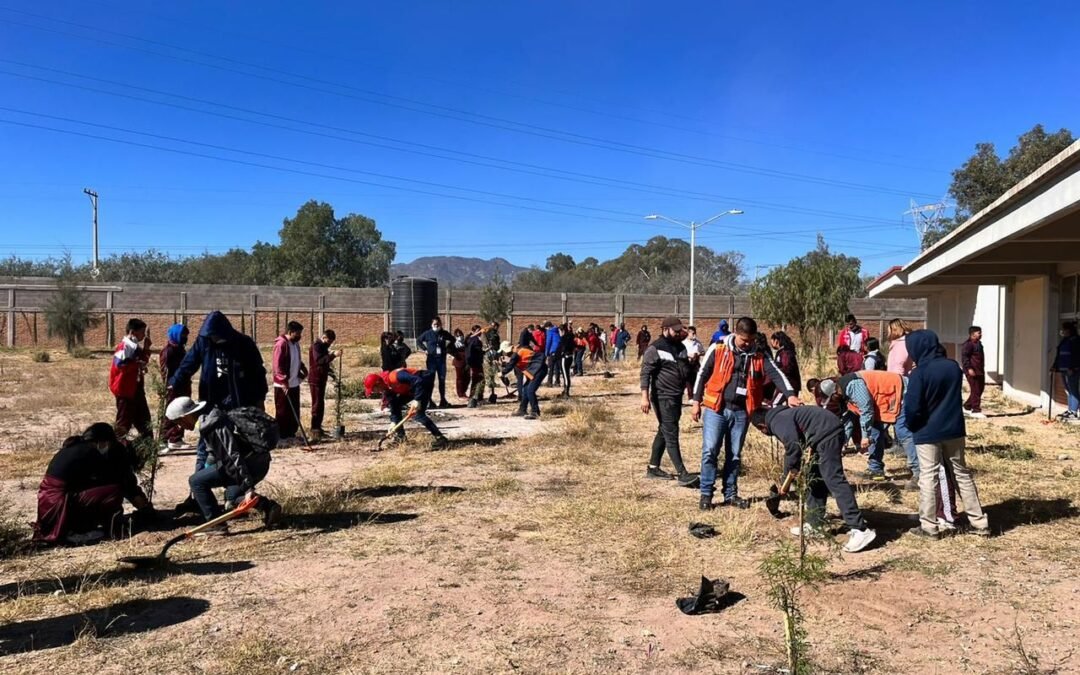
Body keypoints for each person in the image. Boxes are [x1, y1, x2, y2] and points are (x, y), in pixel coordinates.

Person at [692, 317, 801, 510]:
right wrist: (695, 401)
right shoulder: (718, 348)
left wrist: (790, 395)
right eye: (744, 340)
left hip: (741, 411)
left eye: (751, 340)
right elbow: (702, 373)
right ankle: (706, 494)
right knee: (710, 451)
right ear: (735, 333)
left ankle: (731, 494)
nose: (748, 344)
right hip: (716, 408)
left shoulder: (759, 354)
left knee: (734, 455)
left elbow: (777, 374)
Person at [169, 311, 268, 514]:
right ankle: (198, 497)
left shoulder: (243, 344)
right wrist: (173, 383)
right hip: (212, 405)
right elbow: (189, 364)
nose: (214, 339)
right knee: (205, 450)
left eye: (216, 336)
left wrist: (259, 402)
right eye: (211, 336)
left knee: (237, 450)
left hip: (240, 408)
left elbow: (258, 374)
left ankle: (238, 494)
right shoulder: (204, 342)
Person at [750, 405, 877, 553]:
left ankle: (860, 529)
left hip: (828, 434)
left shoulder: (777, 420)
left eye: (762, 431)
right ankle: (815, 524)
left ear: (761, 427)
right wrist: (789, 475)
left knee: (834, 479)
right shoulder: (783, 415)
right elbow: (798, 443)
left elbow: (793, 446)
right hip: (823, 434)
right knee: (815, 478)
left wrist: (788, 475)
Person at [903, 330, 991, 539]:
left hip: (927, 432)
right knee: (961, 474)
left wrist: (912, 425)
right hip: (954, 429)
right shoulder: (953, 367)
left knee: (928, 477)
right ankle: (979, 523)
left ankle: (929, 526)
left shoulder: (919, 373)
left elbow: (913, 407)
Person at [167, 397, 282, 531]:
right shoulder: (211, 417)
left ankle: (215, 526)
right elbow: (214, 453)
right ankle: (269, 507)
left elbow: (231, 457)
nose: (179, 426)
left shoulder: (211, 425)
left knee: (196, 481)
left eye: (178, 422)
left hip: (249, 465)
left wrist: (247, 487)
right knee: (232, 499)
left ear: (186, 416)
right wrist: (206, 472)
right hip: (260, 461)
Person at [33, 423, 154, 545]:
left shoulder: (77, 447)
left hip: (48, 501)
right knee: (114, 492)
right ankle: (75, 532)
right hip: (59, 502)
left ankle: (80, 527)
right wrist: (143, 507)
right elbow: (121, 481)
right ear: (103, 442)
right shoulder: (89, 453)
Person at [819, 370, 918, 487]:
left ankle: (919, 472)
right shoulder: (844, 393)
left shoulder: (853, 385)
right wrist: (840, 443)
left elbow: (867, 410)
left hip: (900, 391)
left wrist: (864, 437)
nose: (833, 401)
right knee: (875, 432)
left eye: (832, 398)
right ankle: (876, 469)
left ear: (835, 392)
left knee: (903, 432)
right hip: (883, 399)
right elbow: (848, 422)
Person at [640, 316, 698, 487]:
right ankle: (682, 473)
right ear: (665, 329)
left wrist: (692, 363)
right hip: (662, 396)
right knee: (671, 432)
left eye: (680, 330)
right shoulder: (655, 348)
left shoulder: (680, 347)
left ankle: (653, 467)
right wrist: (644, 397)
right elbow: (645, 373)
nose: (679, 332)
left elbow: (685, 372)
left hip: (675, 396)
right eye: (675, 330)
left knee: (665, 429)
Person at [364, 367, 449, 449]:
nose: (375, 392)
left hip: (423, 380)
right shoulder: (386, 390)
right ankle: (401, 438)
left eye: (374, 389)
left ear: (378, 383)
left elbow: (418, 381)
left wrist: (417, 400)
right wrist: (393, 423)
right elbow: (394, 408)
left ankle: (440, 439)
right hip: (412, 388)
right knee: (396, 405)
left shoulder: (396, 376)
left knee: (418, 414)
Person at [110, 318, 153, 440]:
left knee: (145, 421)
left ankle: (148, 447)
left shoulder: (134, 346)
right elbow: (120, 364)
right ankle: (116, 447)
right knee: (124, 423)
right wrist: (136, 364)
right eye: (142, 332)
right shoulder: (125, 346)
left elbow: (143, 361)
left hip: (136, 389)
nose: (143, 335)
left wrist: (146, 348)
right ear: (133, 332)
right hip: (125, 391)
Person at [272, 321, 308, 440]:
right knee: (283, 411)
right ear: (290, 332)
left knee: (294, 411)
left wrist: (302, 368)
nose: (299, 336)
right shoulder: (281, 344)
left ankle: (291, 433)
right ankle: (282, 436)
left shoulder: (295, 344)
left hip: (294, 383)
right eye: (297, 333)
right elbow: (277, 365)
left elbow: (296, 359)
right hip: (282, 385)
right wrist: (283, 381)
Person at [159, 323, 191, 452]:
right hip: (174, 387)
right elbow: (165, 371)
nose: (184, 337)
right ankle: (166, 438)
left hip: (183, 386)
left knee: (182, 412)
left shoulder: (180, 349)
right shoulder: (169, 351)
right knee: (171, 412)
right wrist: (171, 384)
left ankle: (176, 437)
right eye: (182, 335)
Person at [501, 337, 545, 419]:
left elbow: (511, 364)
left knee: (530, 390)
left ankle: (535, 412)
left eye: (506, 353)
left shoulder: (518, 353)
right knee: (525, 389)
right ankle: (522, 409)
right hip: (535, 370)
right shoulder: (520, 350)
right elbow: (515, 361)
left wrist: (502, 372)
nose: (506, 354)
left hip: (539, 370)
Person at [308, 329, 339, 441]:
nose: (330, 344)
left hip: (321, 378)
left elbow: (325, 364)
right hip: (315, 379)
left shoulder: (323, 347)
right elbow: (319, 361)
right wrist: (333, 355)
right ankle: (314, 429)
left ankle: (318, 428)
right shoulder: (317, 346)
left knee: (320, 403)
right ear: (324, 337)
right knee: (316, 404)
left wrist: (333, 375)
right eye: (329, 341)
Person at [417, 317, 455, 408]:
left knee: (442, 380)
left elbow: (453, 339)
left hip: (441, 360)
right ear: (431, 324)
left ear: (440, 324)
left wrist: (447, 348)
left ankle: (443, 400)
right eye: (434, 324)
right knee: (430, 380)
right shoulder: (428, 333)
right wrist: (425, 349)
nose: (436, 326)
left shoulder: (443, 333)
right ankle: (429, 401)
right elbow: (419, 340)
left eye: (438, 324)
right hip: (431, 360)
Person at [1054, 321, 1080, 421]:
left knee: (1073, 390)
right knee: (1068, 390)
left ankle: (1074, 412)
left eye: (1064, 330)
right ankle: (1070, 410)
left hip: (1072, 369)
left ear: (1068, 330)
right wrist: (1054, 366)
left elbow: (1077, 356)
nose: (1062, 331)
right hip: (1063, 369)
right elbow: (1059, 353)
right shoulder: (1065, 340)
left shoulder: (1076, 340)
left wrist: (1073, 368)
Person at [960, 326, 986, 418]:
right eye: (979, 333)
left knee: (980, 389)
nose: (981, 334)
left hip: (980, 371)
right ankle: (976, 410)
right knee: (975, 389)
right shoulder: (968, 345)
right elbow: (965, 358)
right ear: (972, 334)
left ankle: (967, 406)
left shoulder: (979, 344)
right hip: (972, 371)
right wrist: (969, 368)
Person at [769, 331, 801, 396]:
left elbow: (786, 368)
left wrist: (775, 372)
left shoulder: (785, 353)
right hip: (787, 384)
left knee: (775, 403)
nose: (771, 343)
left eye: (772, 341)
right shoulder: (781, 352)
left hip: (788, 385)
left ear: (776, 341)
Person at [465, 324, 486, 408]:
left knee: (479, 380)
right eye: (478, 331)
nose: (480, 332)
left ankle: (477, 397)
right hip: (474, 363)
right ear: (473, 331)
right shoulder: (473, 340)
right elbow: (470, 352)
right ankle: (474, 397)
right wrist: (470, 362)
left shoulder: (474, 339)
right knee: (478, 380)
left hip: (477, 362)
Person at [482, 322, 501, 404]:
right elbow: (486, 343)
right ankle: (490, 390)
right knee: (489, 373)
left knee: (492, 373)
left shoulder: (493, 334)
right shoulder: (488, 333)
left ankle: (492, 391)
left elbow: (497, 345)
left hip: (493, 354)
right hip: (488, 354)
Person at [683, 326, 704, 399]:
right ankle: (690, 396)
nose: (694, 335)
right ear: (688, 333)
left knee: (697, 379)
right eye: (693, 333)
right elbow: (680, 353)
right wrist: (688, 355)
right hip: (688, 363)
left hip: (696, 363)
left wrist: (699, 353)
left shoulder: (697, 343)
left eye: (695, 333)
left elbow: (703, 351)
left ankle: (697, 396)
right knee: (688, 380)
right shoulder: (684, 343)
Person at [556, 323, 575, 398]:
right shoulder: (570, 337)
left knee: (565, 375)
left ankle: (566, 392)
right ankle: (565, 390)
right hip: (570, 357)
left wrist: (560, 354)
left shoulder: (564, 338)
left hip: (565, 357)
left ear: (562, 330)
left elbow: (562, 348)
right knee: (566, 375)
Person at [451, 328, 469, 399]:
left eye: (460, 335)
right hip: (458, 362)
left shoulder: (465, 342)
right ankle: (460, 393)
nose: (459, 337)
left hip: (466, 362)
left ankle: (464, 391)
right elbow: (449, 349)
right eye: (457, 335)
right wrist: (455, 354)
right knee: (460, 378)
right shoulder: (454, 344)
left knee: (467, 377)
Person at [545, 321, 562, 387]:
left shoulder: (550, 332)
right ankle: (557, 382)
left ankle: (549, 382)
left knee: (551, 368)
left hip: (553, 351)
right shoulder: (557, 330)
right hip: (559, 351)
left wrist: (546, 353)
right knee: (557, 367)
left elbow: (548, 342)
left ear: (548, 327)